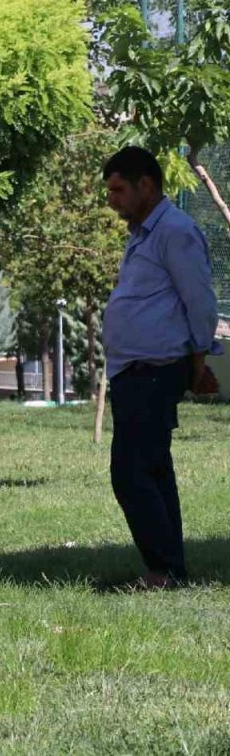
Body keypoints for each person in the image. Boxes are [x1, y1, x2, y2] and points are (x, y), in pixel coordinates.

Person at [102, 146, 221, 590]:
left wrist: (197, 360)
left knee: (130, 471)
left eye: (118, 190)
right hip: (134, 370)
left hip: (154, 370)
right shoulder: (144, 234)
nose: (112, 200)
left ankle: (164, 570)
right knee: (152, 467)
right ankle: (170, 569)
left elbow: (200, 301)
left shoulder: (175, 230)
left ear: (146, 186)